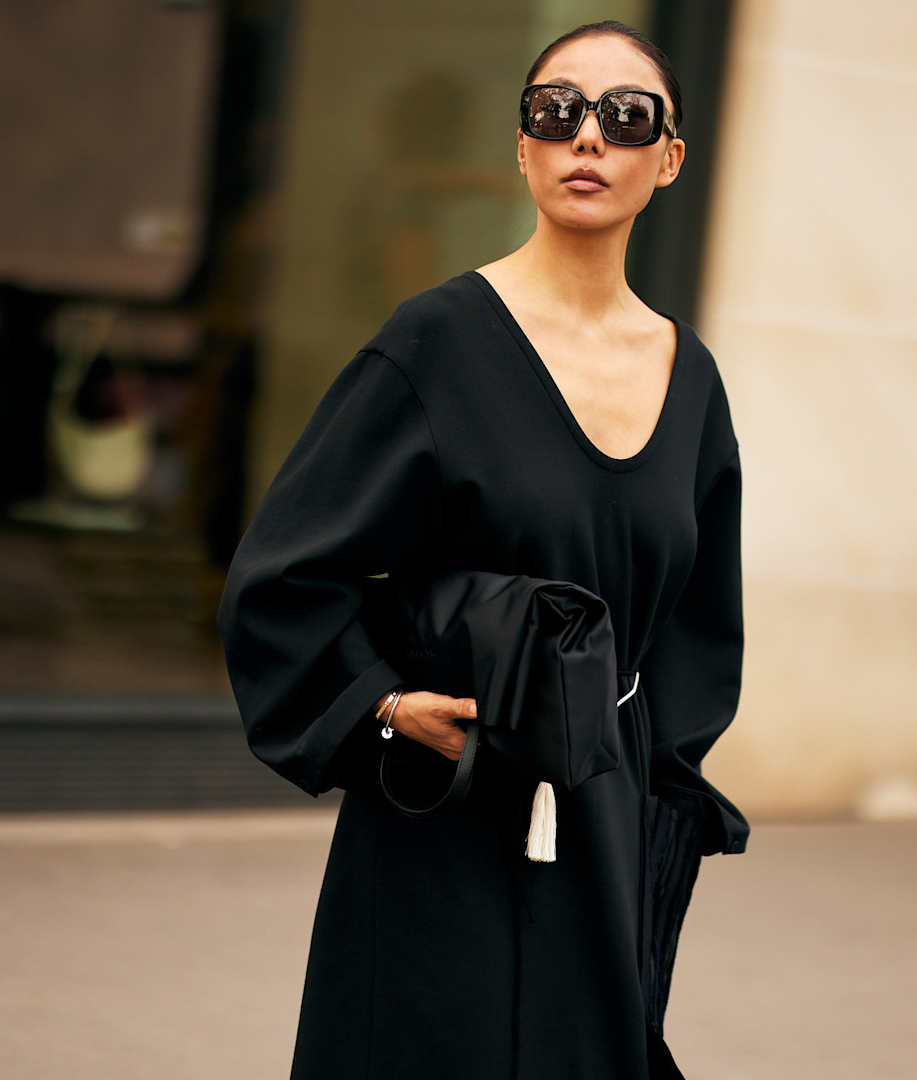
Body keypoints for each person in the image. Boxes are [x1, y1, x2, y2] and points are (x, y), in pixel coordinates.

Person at [218, 20, 747, 1080]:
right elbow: (284, 576)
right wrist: (380, 702)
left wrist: (648, 806)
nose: (586, 138)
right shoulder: (436, 342)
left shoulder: (690, 382)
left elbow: (697, 630)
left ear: (669, 157)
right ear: (522, 148)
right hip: (440, 822)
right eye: (557, 113)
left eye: (625, 117)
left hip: (597, 826)